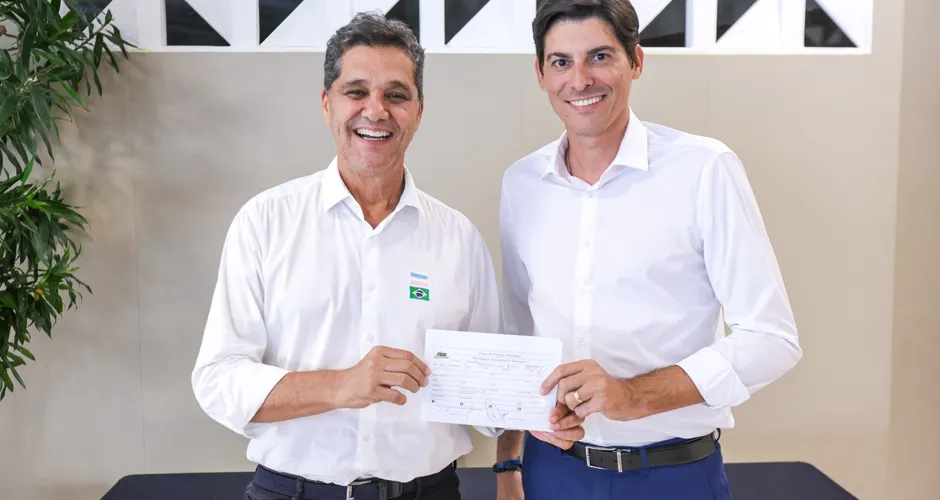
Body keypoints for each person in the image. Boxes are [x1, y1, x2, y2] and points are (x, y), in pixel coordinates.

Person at [493, 1, 803, 499]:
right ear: (541, 74)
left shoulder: (704, 169)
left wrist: (633, 396)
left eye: (599, 57)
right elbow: (517, 334)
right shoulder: (522, 183)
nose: (580, 80)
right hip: (551, 471)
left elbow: (772, 339)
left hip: (672, 475)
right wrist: (508, 463)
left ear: (635, 61)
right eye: (561, 62)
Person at [191, 12, 501, 500]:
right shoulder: (265, 222)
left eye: (396, 95)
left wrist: (545, 401)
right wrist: (340, 386)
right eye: (356, 92)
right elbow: (219, 380)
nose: (375, 111)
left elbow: (489, 388)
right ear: (327, 104)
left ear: (419, 111)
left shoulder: (459, 238)